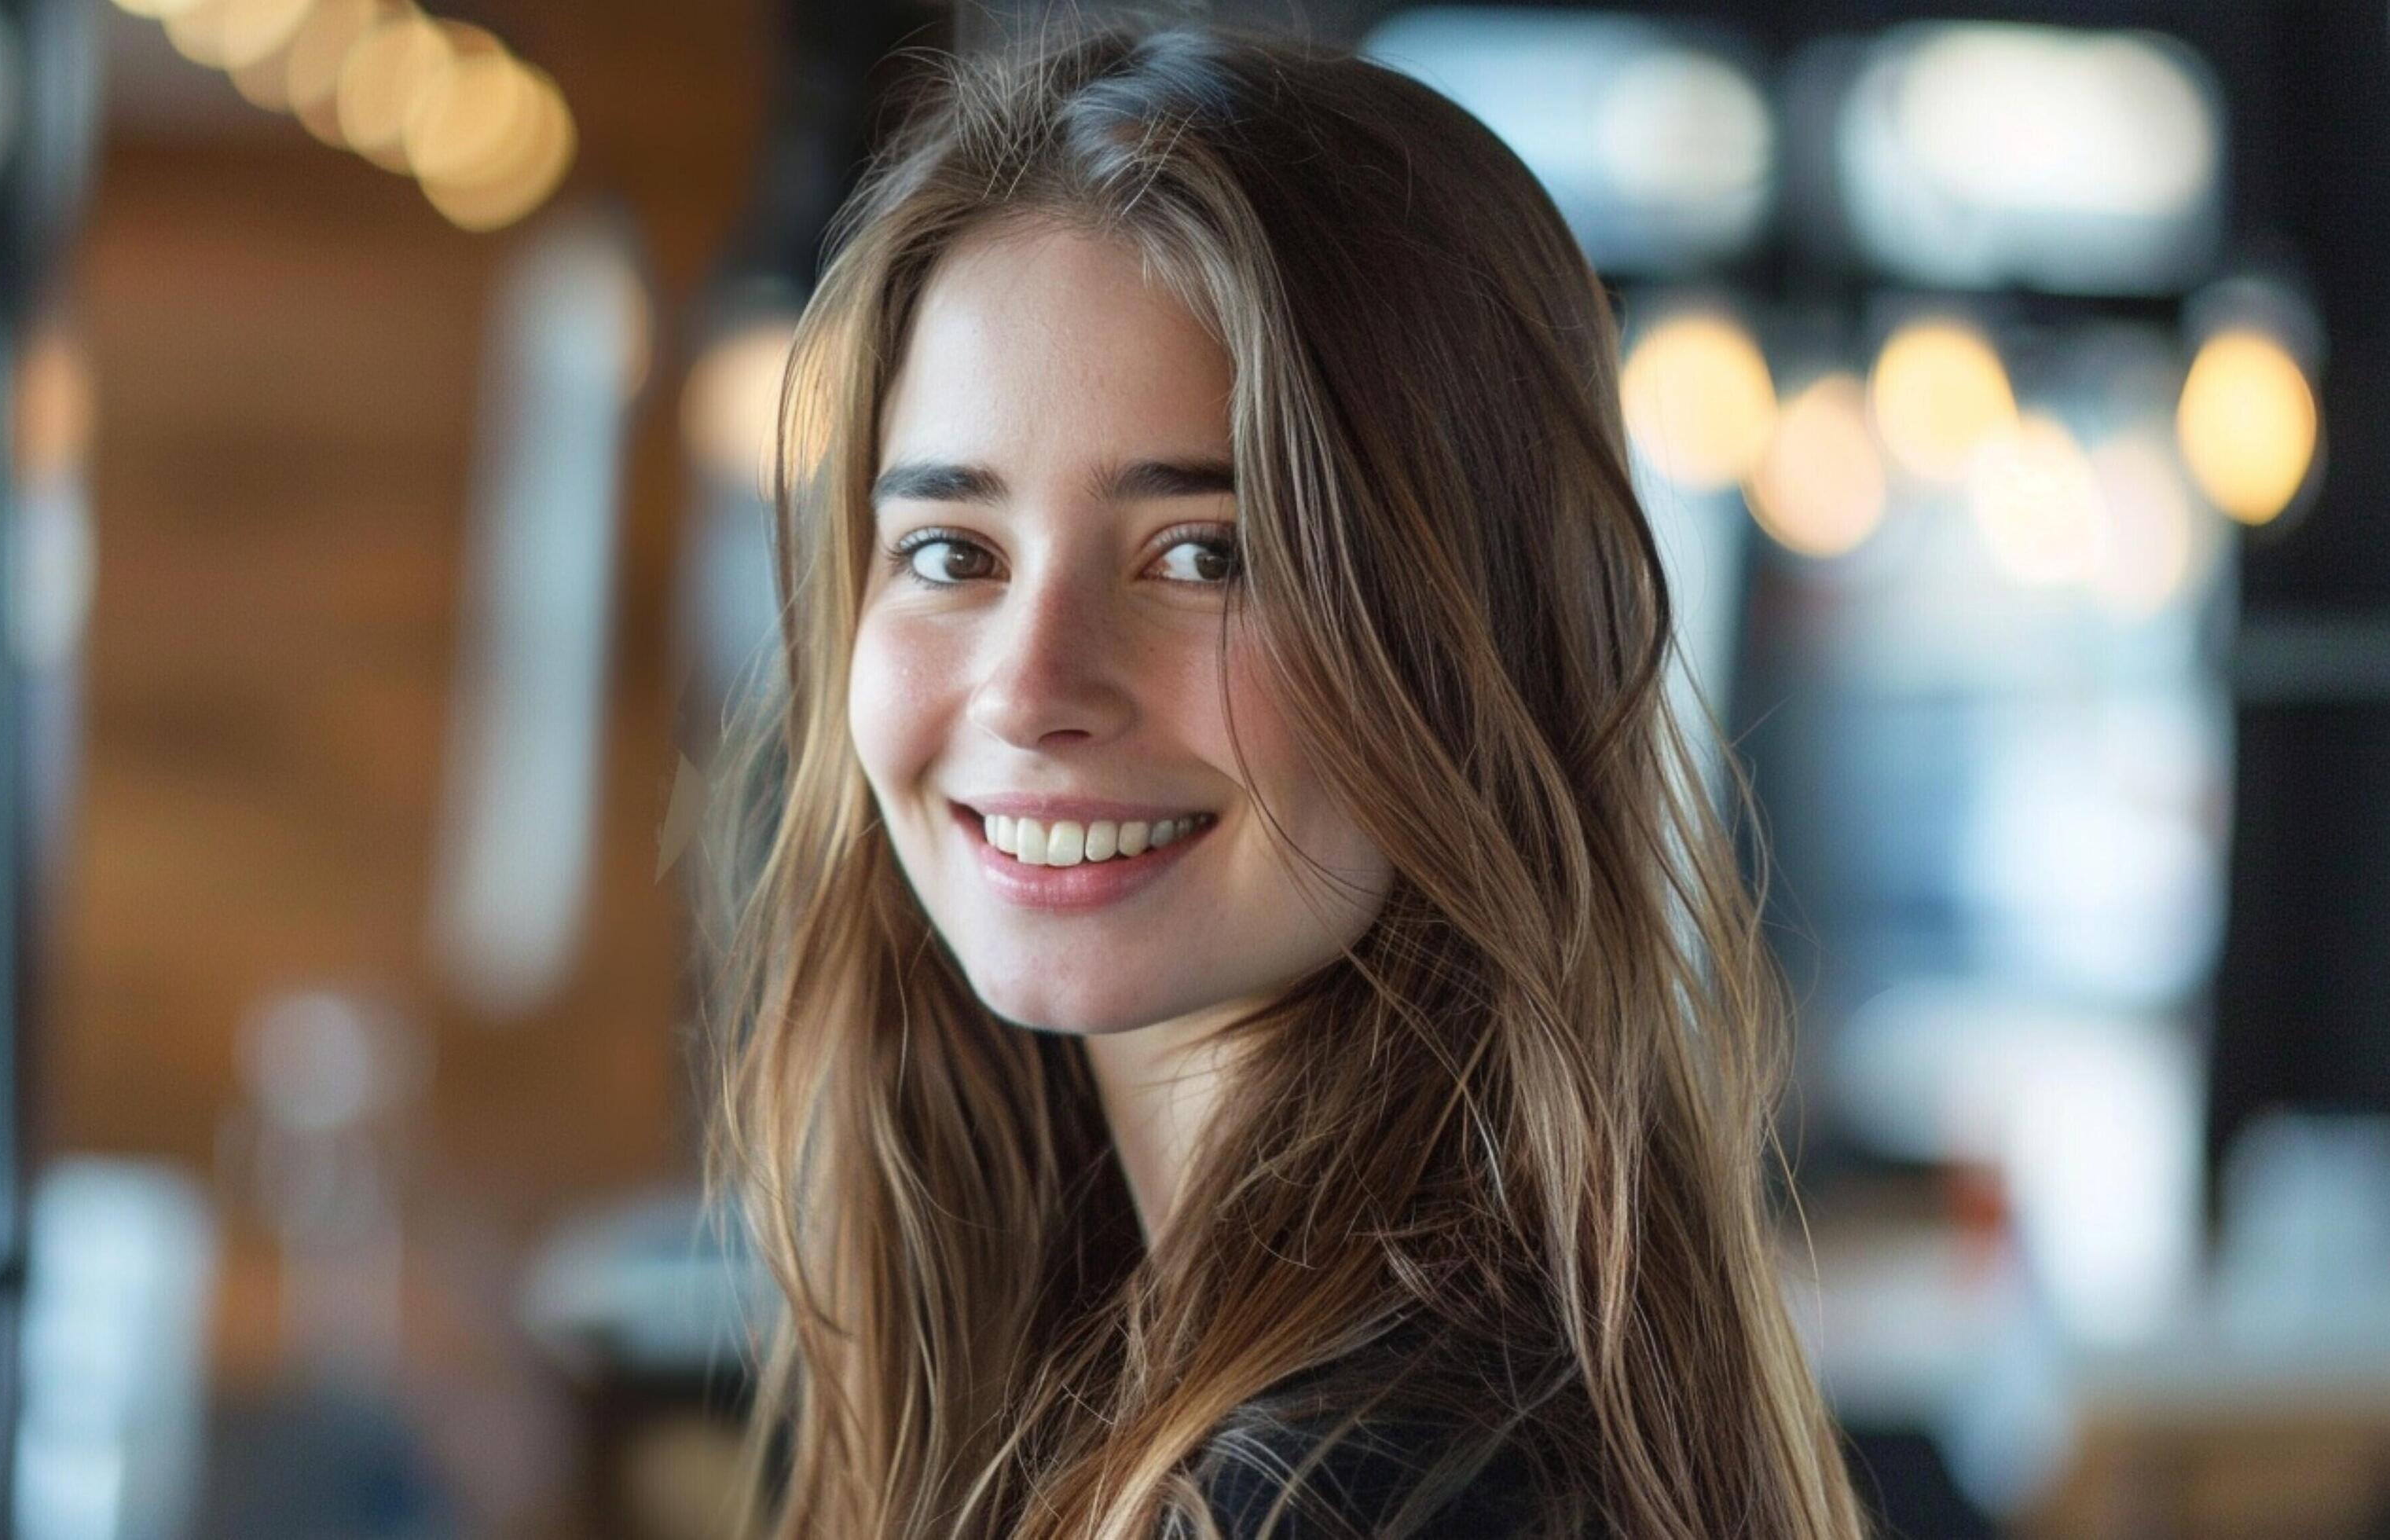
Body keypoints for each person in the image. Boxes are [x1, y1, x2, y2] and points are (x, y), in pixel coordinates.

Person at [695, 22, 1867, 1539]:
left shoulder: (1346, 1492)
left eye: (1205, 556)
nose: (1033, 689)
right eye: (950, 553)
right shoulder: (1207, 1382)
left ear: (1471, 647)